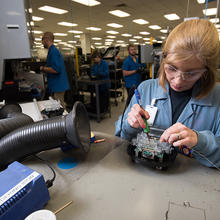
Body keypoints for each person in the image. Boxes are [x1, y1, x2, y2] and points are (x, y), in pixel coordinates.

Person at [115, 19, 220, 168]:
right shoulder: (145, 89)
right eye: (171, 68)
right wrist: (129, 124)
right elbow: (121, 138)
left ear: (206, 71)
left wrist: (200, 141)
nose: (177, 81)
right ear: (163, 59)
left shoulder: (217, 99)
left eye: (190, 74)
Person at [40, 32, 69, 109]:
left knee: (60, 107)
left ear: (46, 39)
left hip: (58, 85)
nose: (42, 42)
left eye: (42, 40)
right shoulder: (51, 51)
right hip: (56, 85)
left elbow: (56, 70)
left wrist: (43, 68)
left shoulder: (54, 51)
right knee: (58, 106)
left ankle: (66, 121)